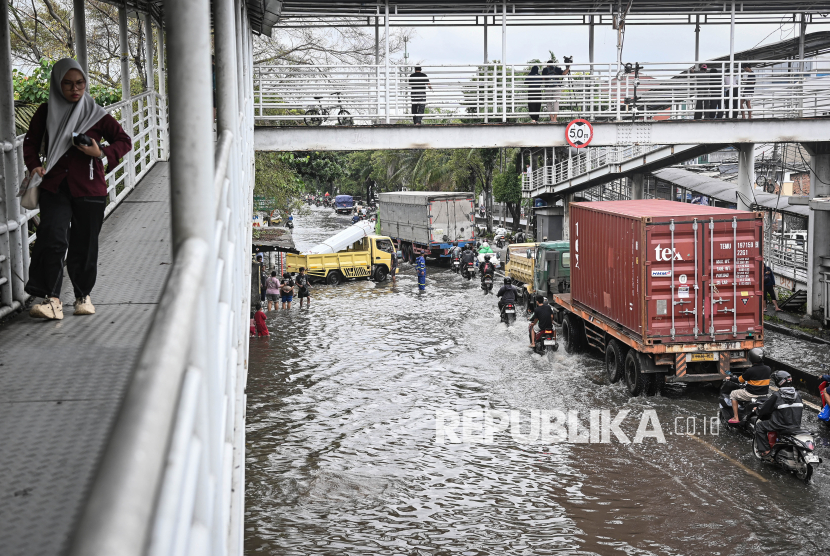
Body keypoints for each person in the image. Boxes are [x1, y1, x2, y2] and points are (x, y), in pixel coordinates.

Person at [23, 58, 132, 320]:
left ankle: (83, 296)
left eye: (80, 83)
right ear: (57, 84)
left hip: (90, 187)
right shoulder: (46, 111)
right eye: (68, 84)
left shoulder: (95, 112)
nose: (75, 89)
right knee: (52, 237)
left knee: (85, 244)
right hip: (55, 186)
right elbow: (30, 142)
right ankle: (52, 299)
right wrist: (34, 165)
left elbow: (124, 140)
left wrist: (100, 152)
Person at [753, 371, 804, 461]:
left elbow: (765, 408)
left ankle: (766, 451)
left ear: (779, 382)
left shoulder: (777, 395)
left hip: (780, 425)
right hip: (796, 425)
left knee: (760, 426)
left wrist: (757, 410)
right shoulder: (798, 395)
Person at [727, 348, 772, 424]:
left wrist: (730, 378)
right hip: (764, 394)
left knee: (733, 394)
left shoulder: (750, 370)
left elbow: (740, 380)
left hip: (751, 394)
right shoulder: (768, 369)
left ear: (751, 358)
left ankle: (735, 417)